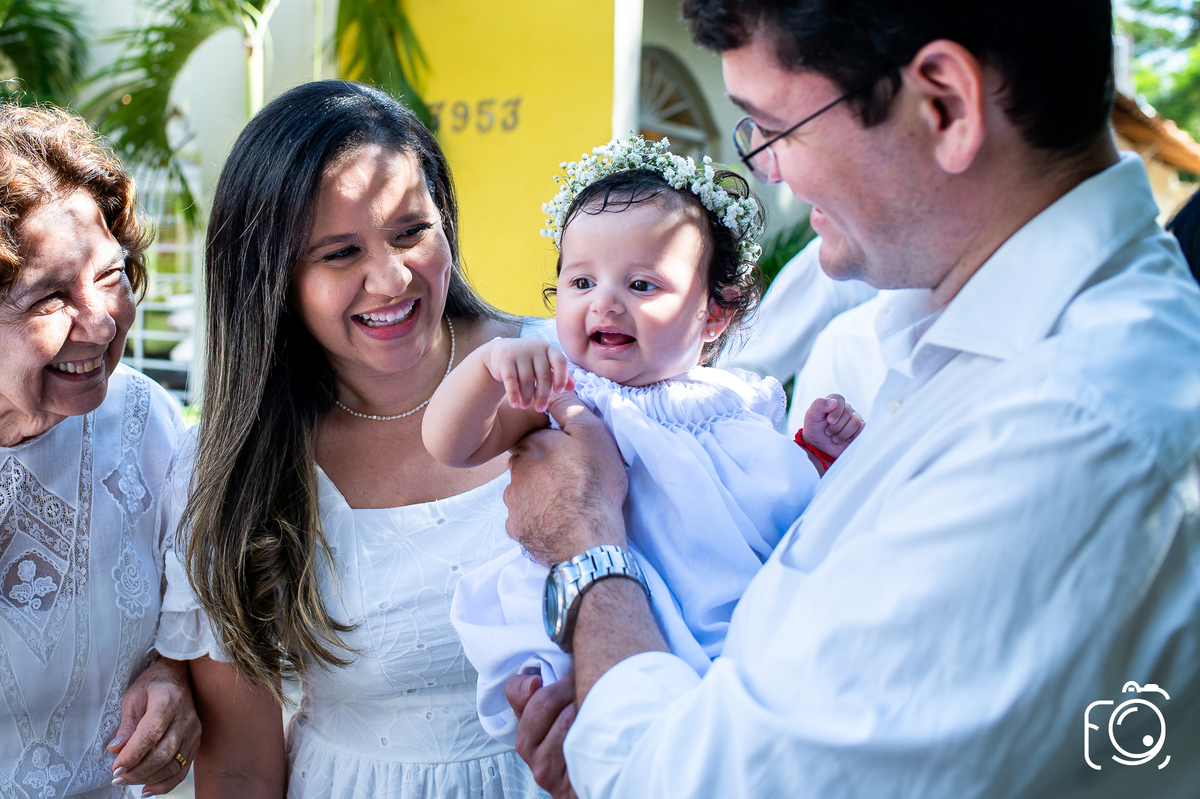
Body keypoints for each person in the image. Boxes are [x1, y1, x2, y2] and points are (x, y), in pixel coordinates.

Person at [501, 2, 1200, 798]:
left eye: (774, 126)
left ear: (945, 105)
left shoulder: (1072, 427)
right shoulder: (959, 341)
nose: (765, 166)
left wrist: (589, 549)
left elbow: (701, 784)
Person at [155, 81, 547, 798]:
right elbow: (241, 766)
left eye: (411, 231)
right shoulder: (238, 462)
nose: (392, 278)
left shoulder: (564, 374)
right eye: (339, 253)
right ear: (273, 282)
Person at [424, 139, 861, 744]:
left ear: (714, 313)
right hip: (607, 620)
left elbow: (774, 510)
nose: (605, 301)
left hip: (730, 622)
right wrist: (486, 367)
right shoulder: (566, 393)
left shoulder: (735, 401)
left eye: (641, 284)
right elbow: (451, 445)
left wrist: (816, 455)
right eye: (581, 280)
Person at [0, 104, 201, 796]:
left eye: (111, 276)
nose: (101, 321)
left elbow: (192, 635)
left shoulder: (149, 425)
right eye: (50, 298)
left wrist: (176, 680)